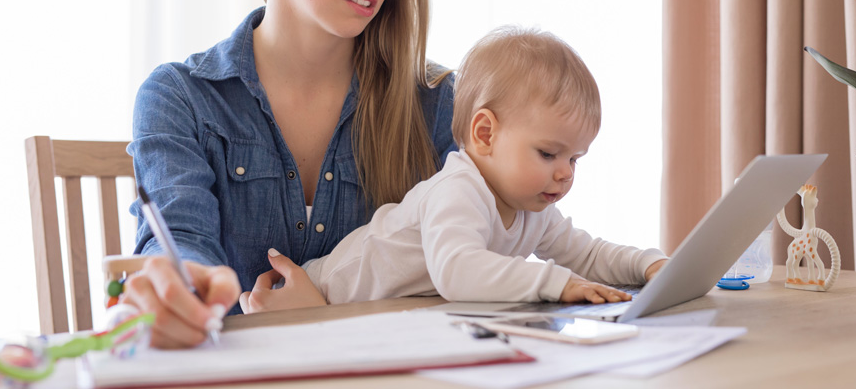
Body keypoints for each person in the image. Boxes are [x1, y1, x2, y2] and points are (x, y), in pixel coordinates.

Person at [121, 0, 457, 348]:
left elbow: (469, 265)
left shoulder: (435, 102)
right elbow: (179, 240)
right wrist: (179, 285)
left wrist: (329, 313)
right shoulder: (180, 98)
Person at [241, 26, 668, 309]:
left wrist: (648, 265)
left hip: (374, 323)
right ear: (485, 134)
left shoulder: (532, 210)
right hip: (316, 295)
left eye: (574, 159)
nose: (565, 173)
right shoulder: (458, 190)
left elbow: (587, 254)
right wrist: (557, 283)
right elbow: (458, 271)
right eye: (548, 154)